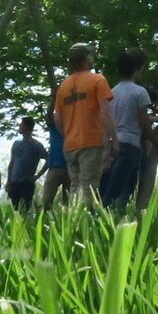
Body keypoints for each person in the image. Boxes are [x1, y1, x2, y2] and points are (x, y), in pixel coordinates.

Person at [54, 43, 115, 204]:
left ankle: (72, 222)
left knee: (75, 186)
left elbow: (57, 118)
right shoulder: (97, 80)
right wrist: (114, 140)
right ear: (87, 58)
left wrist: (67, 135)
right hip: (91, 141)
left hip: (70, 145)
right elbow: (106, 112)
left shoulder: (64, 85)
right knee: (89, 187)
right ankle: (85, 224)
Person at [101, 49, 152, 209]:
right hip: (130, 143)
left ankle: (101, 216)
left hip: (112, 141)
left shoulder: (112, 92)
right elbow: (143, 121)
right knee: (123, 188)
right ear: (137, 68)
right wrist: (155, 140)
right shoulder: (140, 92)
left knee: (108, 184)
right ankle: (115, 220)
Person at [6, 116, 48, 210]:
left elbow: (48, 160)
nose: (19, 127)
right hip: (14, 182)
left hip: (27, 182)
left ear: (27, 127)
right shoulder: (16, 143)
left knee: (25, 209)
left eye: (21, 125)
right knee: (14, 210)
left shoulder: (36, 145)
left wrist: (37, 176)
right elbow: (12, 162)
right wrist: (9, 180)